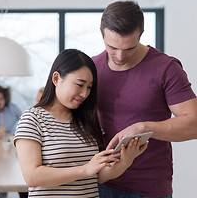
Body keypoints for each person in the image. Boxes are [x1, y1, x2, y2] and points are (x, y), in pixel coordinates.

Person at [92, 0, 197, 198]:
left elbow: (194, 124)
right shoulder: (91, 67)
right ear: (101, 33)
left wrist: (143, 128)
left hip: (149, 188)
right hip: (99, 182)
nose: (120, 56)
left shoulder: (166, 68)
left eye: (129, 48)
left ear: (141, 34)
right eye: (112, 47)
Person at [14, 49, 147, 198]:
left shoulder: (86, 121)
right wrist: (84, 169)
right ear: (57, 79)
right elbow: (32, 177)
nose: (85, 93)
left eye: (89, 87)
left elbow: (96, 176)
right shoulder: (32, 119)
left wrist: (126, 160)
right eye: (79, 84)